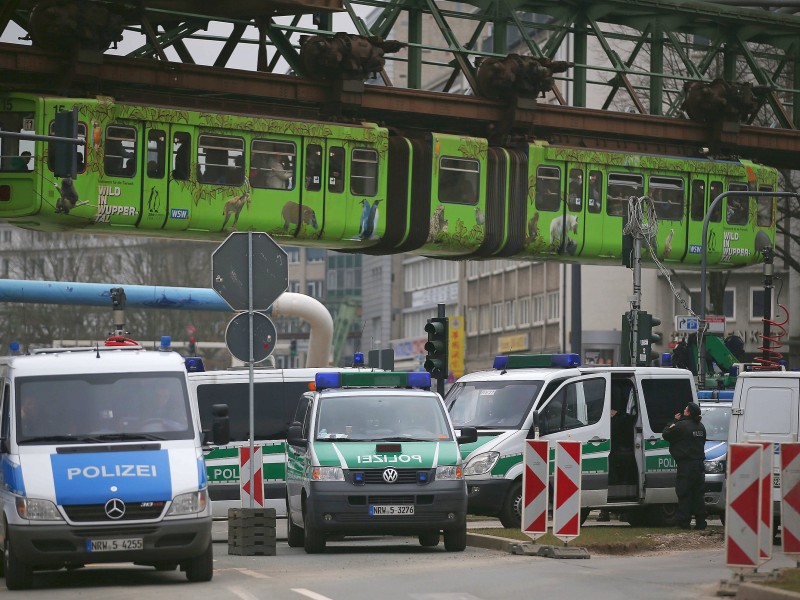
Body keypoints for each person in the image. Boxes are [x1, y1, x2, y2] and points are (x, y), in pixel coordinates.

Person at [662, 401, 707, 530]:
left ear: (688, 412)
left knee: (684, 493)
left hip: (686, 465)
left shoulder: (681, 425)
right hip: (699, 465)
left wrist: (673, 422)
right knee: (698, 494)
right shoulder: (700, 427)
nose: (683, 410)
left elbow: (666, 434)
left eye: (685, 409)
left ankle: (684, 523)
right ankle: (701, 523)